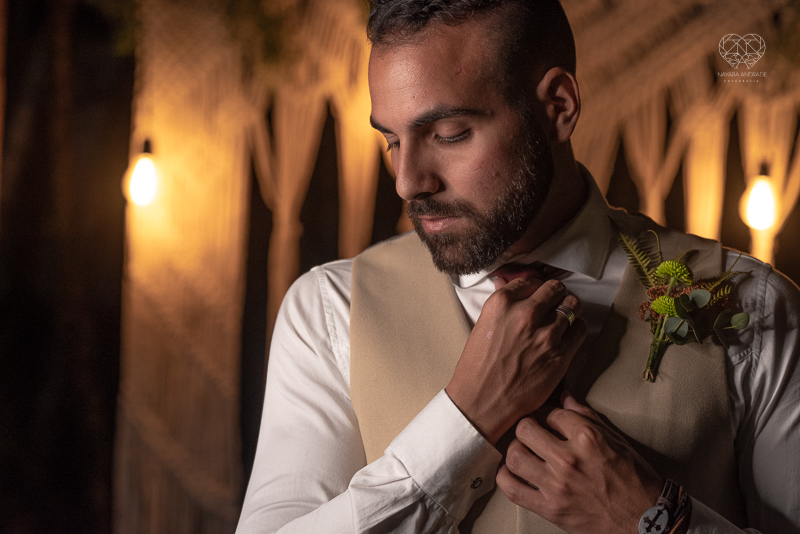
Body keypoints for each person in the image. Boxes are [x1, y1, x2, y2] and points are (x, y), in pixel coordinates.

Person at [236, 1, 800, 533]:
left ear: (558, 107)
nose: (409, 180)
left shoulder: (752, 303)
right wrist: (465, 421)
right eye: (391, 140)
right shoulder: (330, 309)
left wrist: (651, 519)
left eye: (448, 134)